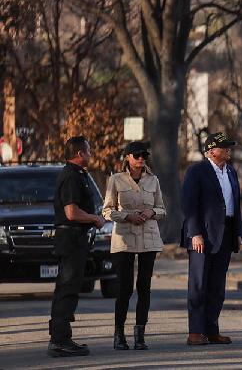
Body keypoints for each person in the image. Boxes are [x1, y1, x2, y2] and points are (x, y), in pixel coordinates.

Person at [180, 132, 242, 346]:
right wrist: (194, 233)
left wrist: (238, 233)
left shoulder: (231, 172)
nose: (228, 150)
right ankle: (195, 332)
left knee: (217, 286)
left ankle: (211, 329)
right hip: (203, 235)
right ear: (211, 151)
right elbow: (189, 205)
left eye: (229, 147)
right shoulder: (197, 171)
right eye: (224, 147)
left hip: (225, 233)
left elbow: (236, 204)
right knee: (199, 284)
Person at [102, 141, 166, 350]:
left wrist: (151, 213)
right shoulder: (115, 180)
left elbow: (162, 209)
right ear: (127, 157)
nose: (141, 158)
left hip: (149, 238)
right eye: (137, 155)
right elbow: (107, 211)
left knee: (144, 288)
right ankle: (119, 334)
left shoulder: (153, 180)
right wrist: (127, 216)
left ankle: (140, 335)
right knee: (124, 288)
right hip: (124, 238)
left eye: (144, 155)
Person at [48, 136, 105, 357]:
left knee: (69, 288)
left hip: (75, 240)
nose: (91, 154)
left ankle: (62, 337)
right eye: (88, 151)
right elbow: (71, 212)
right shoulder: (71, 176)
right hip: (70, 240)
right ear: (80, 154)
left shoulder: (77, 174)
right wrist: (94, 218)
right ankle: (60, 340)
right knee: (67, 288)